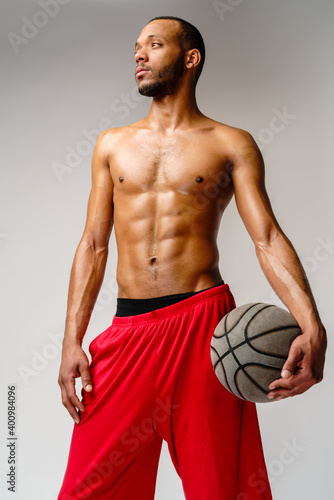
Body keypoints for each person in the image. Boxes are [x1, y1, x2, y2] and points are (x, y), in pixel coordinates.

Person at [57, 16, 327, 500]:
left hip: (204, 329)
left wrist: (312, 325)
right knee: (86, 490)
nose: (138, 55)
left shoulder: (230, 143)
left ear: (190, 58)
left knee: (221, 490)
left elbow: (266, 237)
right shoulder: (112, 145)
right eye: (136, 47)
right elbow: (93, 245)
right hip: (128, 333)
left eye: (153, 45)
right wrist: (71, 342)